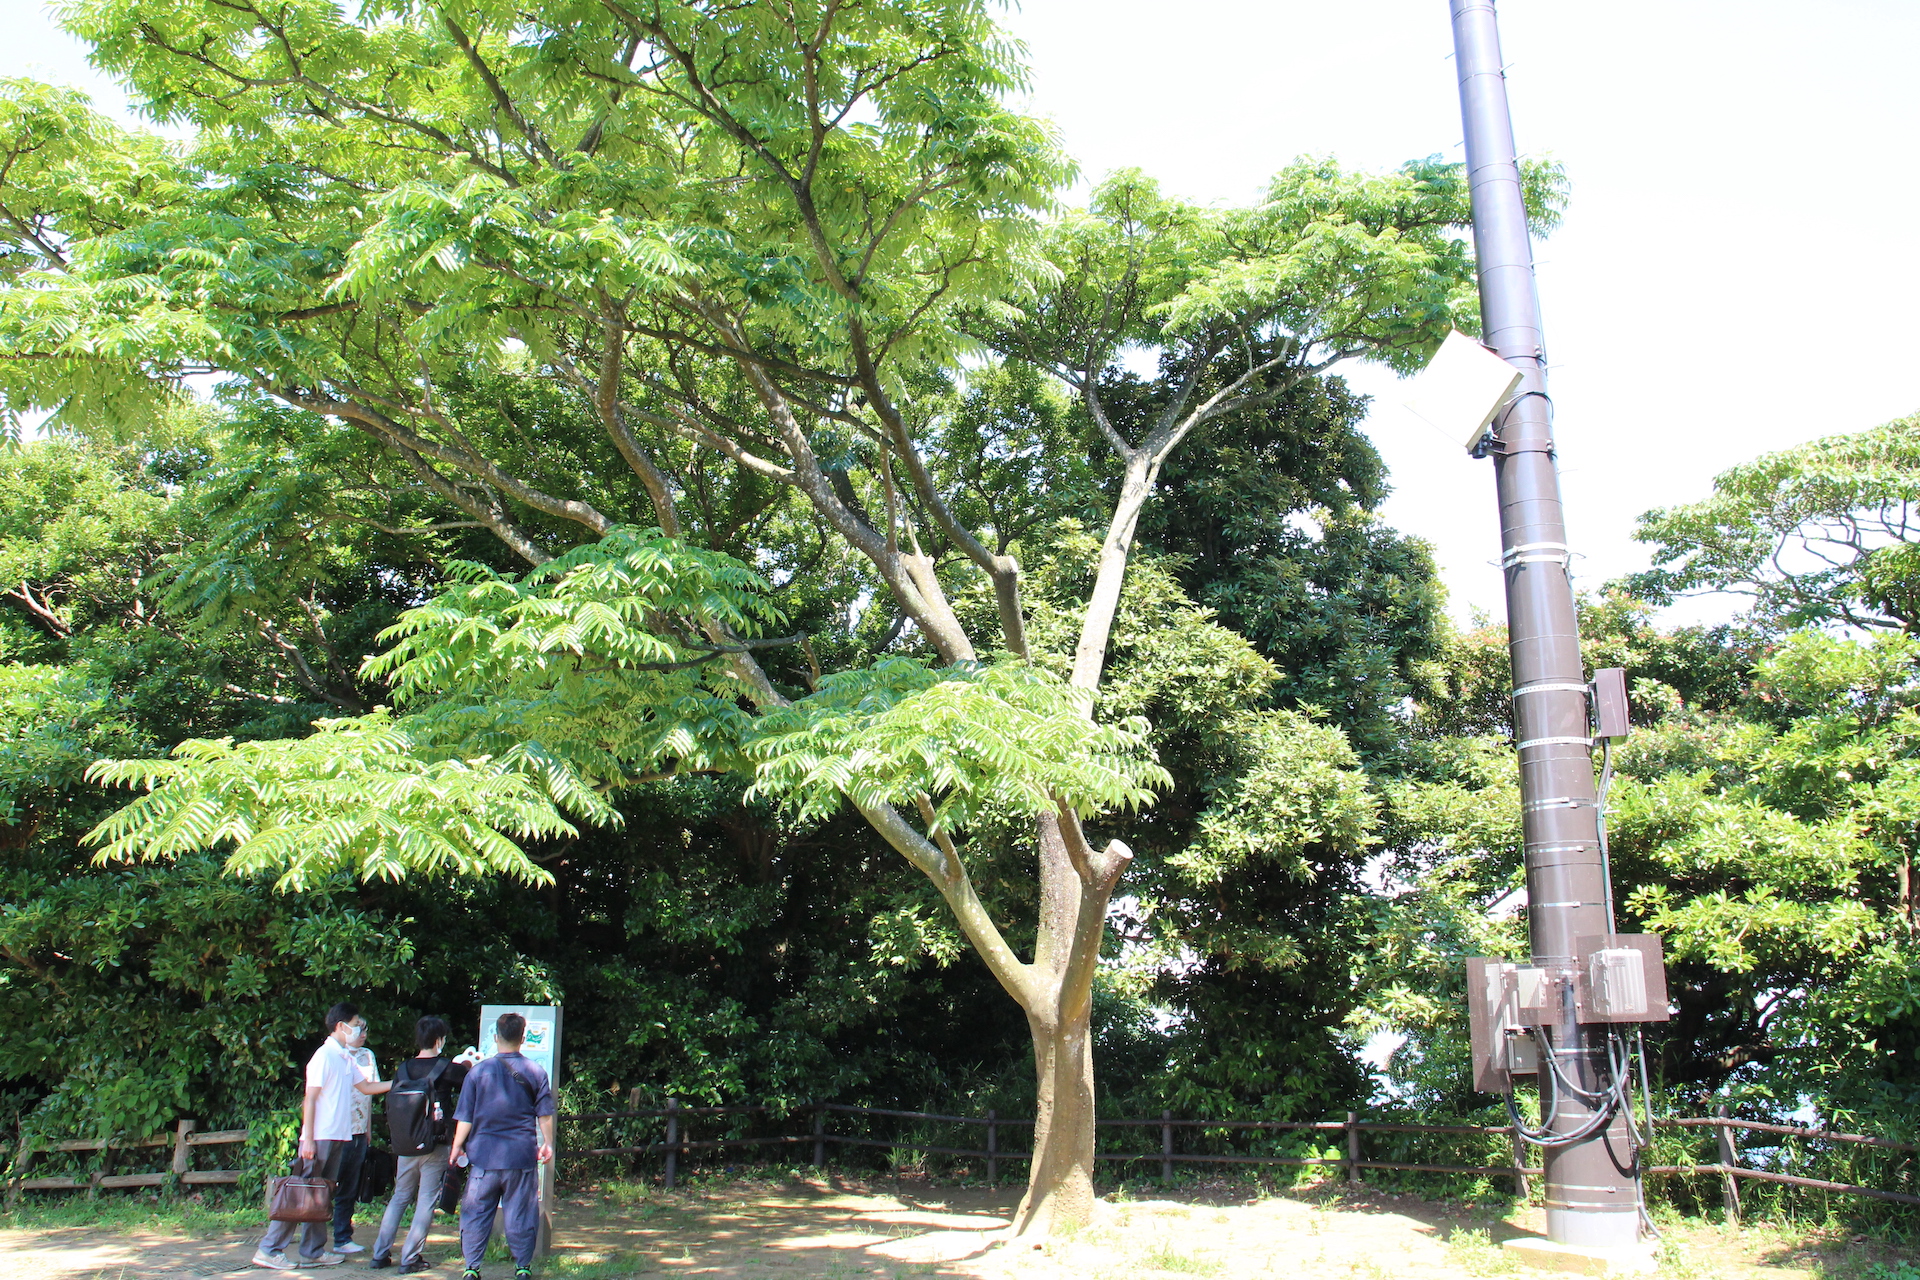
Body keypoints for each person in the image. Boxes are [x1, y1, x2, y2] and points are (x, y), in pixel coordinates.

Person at [253, 1003, 389, 1271]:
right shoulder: (323, 1056)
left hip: (339, 1137)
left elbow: (366, 1087)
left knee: (320, 1196)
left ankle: (313, 1251)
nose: (360, 1028)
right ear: (341, 1026)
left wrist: (403, 1082)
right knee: (300, 1194)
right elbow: (311, 1099)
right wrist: (308, 1138)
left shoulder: (345, 1058)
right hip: (321, 1137)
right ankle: (269, 1249)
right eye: (356, 1023)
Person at [449, 1013, 555, 1280]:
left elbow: (465, 1116)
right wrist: (548, 1144)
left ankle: (472, 1268)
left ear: (496, 1037)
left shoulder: (478, 1072)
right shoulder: (535, 1071)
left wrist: (457, 1146)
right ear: (522, 1038)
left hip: (483, 1157)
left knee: (476, 1213)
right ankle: (522, 1268)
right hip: (520, 1155)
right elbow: (544, 1115)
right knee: (521, 1212)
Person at [370, 1017, 479, 1273]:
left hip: (406, 1144)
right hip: (435, 1144)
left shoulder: (403, 1069)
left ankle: (379, 1254)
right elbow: (472, 1079)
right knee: (426, 1200)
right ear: (439, 1040)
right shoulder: (446, 1068)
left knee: (399, 1197)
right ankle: (410, 1258)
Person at [332, 1015, 384, 1255]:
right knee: (326, 1184)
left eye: (366, 1029)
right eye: (359, 1029)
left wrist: (368, 1128)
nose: (363, 1034)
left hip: (358, 1130)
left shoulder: (368, 1056)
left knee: (350, 1186)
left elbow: (369, 1093)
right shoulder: (334, 1054)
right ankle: (314, 1235)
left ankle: (342, 1237)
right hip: (334, 1131)